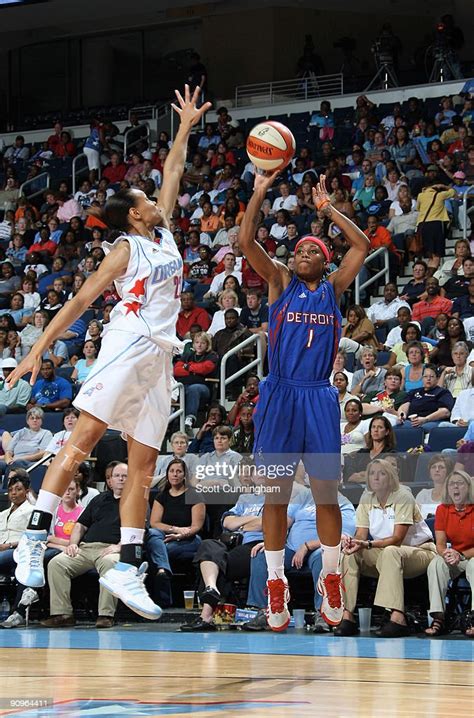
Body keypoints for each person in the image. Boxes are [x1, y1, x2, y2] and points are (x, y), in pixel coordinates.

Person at [7, 84, 211, 621]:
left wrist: (185, 125)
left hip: (159, 359)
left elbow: (172, 170)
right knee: (84, 438)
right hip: (127, 345)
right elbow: (78, 300)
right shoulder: (127, 247)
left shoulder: (163, 233)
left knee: (143, 465)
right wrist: (39, 349)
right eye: (145, 201)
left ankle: (126, 563)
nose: (154, 200)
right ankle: (35, 536)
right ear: (135, 216)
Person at [239, 172, 369, 630]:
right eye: (299, 250)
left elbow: (362, 246)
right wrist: (258, 191)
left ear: (325, 261)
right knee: (274, 495)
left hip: (317, 394)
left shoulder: (333, 289)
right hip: (279, 392)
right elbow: (244, 240)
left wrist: (329, 211)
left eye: (313, 250)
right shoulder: (278, 282)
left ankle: (330, 577)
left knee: (325, 495)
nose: (303, 253)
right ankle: (276, 584)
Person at [337, 459, 435, 637]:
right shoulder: (367, 497)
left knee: (391, 552)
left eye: (381, 473)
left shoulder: (403, 496)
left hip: (420, 551)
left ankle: (398, 617)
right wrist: (355, 543)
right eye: (372, 473)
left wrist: (367, 544)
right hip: (384, 551)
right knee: (349, 555)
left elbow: (397, 538)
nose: (375, 477)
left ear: (390, 478)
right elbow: (361, 534)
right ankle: (347, 616)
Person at [41, 463, 128, 629]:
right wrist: (73, 544)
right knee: (56, 563)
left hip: (112, 548)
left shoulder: (136, 502)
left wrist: (118, 547)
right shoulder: (99, 499)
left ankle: (105, 615)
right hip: (86, 548)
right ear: (110, 480)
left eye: (125, 476)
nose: (121, 479)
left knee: (110, 564)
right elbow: (80, 525)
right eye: (117, 476)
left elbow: (138, 531)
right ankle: (63, 614)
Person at [146, 459, 205, 605]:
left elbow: (196, 526)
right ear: (167, 474)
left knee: (158, 550)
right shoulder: (161, 496)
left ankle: (162, 577)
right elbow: (155, 523)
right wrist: (175, 529)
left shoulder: (195, 495)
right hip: (166, 536)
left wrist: (180, 535)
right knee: (153, 534)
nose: (175, 475)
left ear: (185, 474)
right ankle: (163, 571)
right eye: (172, 471)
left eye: (179, 471)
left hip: (189, 539)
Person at [425, 471, 474, 637]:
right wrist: (446, 554)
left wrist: (460, 554)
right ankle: (438, 617)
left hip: (470, 555)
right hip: (455, 556)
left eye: (460, 483)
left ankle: (473, 618)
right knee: (436, 564)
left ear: (468, 487)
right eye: (452, 484)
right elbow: (439, 544)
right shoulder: (443, 509)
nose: (455, 487)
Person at [173, 331, 218, 435]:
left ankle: (189, 420)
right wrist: (194, 370)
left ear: (207, 344)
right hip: (184, 386)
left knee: (194, 389)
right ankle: (173, 422)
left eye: (202, 343)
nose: (199, 345)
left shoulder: (212, 355)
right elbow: (176, 370)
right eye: (197, 342)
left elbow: (205, 369)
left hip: (204, 388)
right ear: (193, 344)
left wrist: (188, 367)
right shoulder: (188, 355)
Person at [397, 363, 455, 431]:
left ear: (437, 379)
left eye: (432, 376)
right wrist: (402, 415)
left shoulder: (443, 392)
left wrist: (426, 419)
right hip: (411, 421)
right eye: (425, 376)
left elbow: (445, 412)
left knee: (419, 428)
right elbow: (404, 405)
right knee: (398, 426)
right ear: (422, 378)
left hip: (431, 422)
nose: (428, 379)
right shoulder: (413, 392)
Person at [416, 455, 454, 519]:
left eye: (441, 467)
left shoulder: (453, 495)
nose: (437, 470)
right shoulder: (423, 494)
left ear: (448, 472)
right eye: (433, 467)